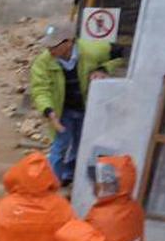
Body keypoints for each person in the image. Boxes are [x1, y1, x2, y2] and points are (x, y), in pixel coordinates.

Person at [30, 22, 124, 185]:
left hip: (86, 109)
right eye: (48, 46)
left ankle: (68, 174)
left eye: (54, 46)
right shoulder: (43, 62)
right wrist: (49, 111)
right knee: (60, 145)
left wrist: (103, 69)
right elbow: (40, 90)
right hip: (63, 110)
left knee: (81, 143)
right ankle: (51, 183)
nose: (49, 50)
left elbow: (122, 55)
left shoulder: (92, 50)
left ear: (69, 42)